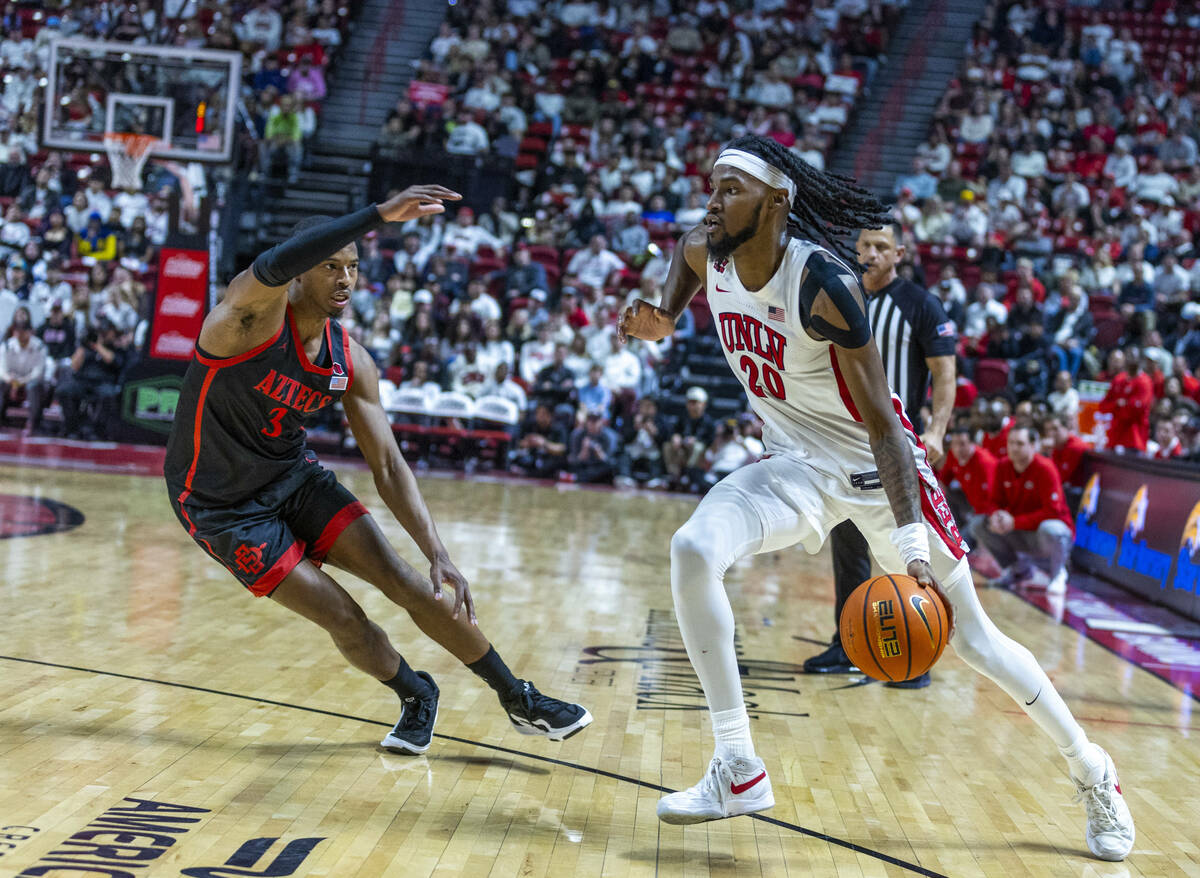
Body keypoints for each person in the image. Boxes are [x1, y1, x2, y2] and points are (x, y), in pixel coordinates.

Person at [618, 135, 1133, 861]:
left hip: (876, 470)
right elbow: (685, 263)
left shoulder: (822, 285)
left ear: (774, 202)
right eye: (712, 184)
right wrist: (664, 313)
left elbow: (889, 426)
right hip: (795, 467)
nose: (713, 200)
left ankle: (1094, 771)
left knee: (976, 642)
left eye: (730, 189)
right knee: (694, 547)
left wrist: (913, 544)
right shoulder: (709, 248)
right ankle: (738, 765)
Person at [163, 187, 591, 756]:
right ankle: (416, 693)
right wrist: (376, 216)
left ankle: (519, 698)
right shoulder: (242, 321)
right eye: (329, 265)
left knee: (412, 584)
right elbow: (267, 267)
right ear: (297, 271)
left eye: (353, 267)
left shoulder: (350, 359)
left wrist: (437, 549)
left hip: (293, 479)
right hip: (222, 507)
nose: (344, 278)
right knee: (344, 616)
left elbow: (387, 464)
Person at [803, 223, 958, 686]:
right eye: (865, 246)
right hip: (847, 442)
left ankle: (918, 654)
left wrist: (937, 429)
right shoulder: (840, 296)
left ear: (899, 254)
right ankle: (847, 643)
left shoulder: (920, 305)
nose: (870, 253)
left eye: (881, 247)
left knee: (903, 549)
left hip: (898, 446)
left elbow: (945, 373)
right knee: (847, 543)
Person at [977, 426, 1074, 595]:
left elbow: (1053, 511)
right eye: (1011, 443)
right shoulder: (1002, 466)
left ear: (1033, 446)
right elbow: (993, 502)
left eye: (1020, 443)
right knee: (979, 525)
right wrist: (996, 515)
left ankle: (1059, 573)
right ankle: (1018, 570)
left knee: (1053, 528)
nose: (1014, 448)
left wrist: (1014, 522)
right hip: (1019, 531)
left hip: (1044, 535)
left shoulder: (1045, 468)